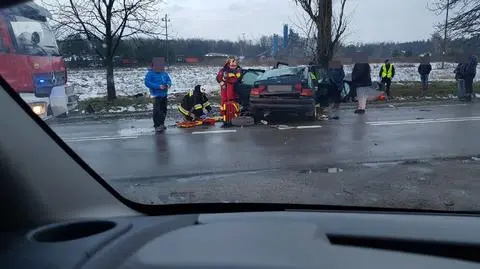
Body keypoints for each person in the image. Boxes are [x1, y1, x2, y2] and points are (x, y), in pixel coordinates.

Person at [144, 57, 172, 133]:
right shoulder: (150, 74)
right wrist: (158, 86)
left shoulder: (164, 73)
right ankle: (157, 125)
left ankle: (162, 124)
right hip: (155, 95)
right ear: (154, 65)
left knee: (163, 110)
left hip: (164, 94)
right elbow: (147, 83)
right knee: (157, 111)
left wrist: (168, 85)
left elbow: (169, 80)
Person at [216, 56, 242, 127]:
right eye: (231, 62)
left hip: (233, 92)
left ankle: (234, 120)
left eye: (234, 62)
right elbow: (218, 78)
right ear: (228, 62)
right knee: (224, 106)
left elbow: (237, 78)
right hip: (225, 92)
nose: (233, 64)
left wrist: (227, 77)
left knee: (233, 106)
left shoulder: (238, 70)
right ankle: (225, 120)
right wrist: (221, 81)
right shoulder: (223, 70)